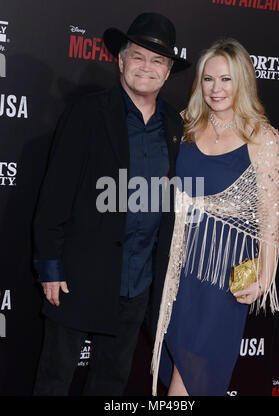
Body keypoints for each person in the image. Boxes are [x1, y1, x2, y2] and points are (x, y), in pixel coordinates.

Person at [32, 12, 190, 396]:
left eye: (157, 61)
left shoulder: (175, 126)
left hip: (137, 284)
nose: (146, 67)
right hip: (77, 275)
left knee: (110, 384)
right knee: (55, 380)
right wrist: (50, 267)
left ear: (167, 73)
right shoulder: (88, 112)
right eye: (138, 56)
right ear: (120, 60)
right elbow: (55, 193)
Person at [151, 38, 279, 396]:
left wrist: (264, 279)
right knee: (180, 369)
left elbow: (270, 224)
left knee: (192, 375)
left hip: (221, 277)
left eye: (226, 79)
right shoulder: (185, 127)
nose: (216, 89)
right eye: (208, 79)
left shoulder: (264, 140)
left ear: (242, 81)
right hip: (177, 270)